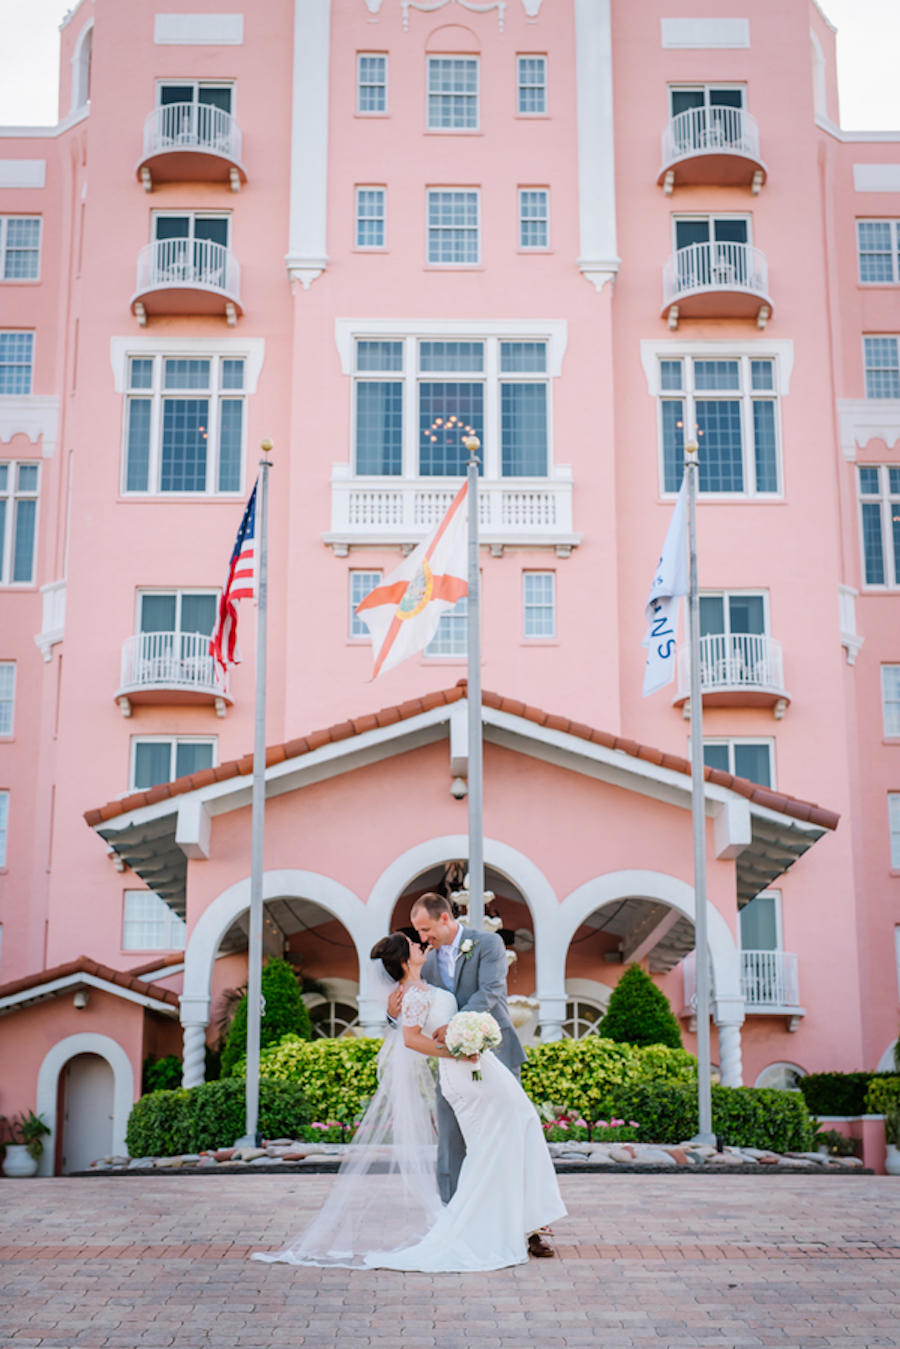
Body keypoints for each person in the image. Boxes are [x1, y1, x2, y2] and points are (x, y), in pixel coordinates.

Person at [252, 931, 565, 1272]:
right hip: (464, 1067)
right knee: (494, 1141)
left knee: (515, 1127)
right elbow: (412, 1039)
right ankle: (491, 1224)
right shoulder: (412, 994)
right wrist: (457, 1049)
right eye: (415, 945)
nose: (422, 944)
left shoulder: (424, 982)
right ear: (404, 960)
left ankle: (521, 1220)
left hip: (476, 1063)